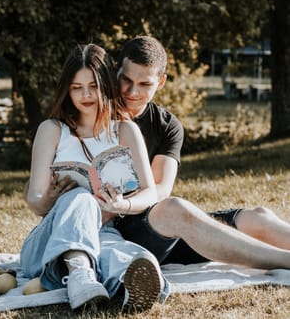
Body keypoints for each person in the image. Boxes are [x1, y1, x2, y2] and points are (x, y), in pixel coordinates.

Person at [106, 35, 290, 271]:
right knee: (175, 210)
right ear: (116, 71)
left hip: (159, 227)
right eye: (126, 79)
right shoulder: (99, 114)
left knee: (258, 217)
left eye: (145, 84)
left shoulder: (167, 125)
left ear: (160, 83)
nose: (132, 91)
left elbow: (160, 189)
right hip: (121, 235)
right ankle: (284, 261)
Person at [20, 43, 167, 313]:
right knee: (80, 197)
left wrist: (123, 206)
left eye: (94, 86)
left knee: (126, 255)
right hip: (49, 239)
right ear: (67, 89)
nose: (85, 95)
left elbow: (151, 192)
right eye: (77, 87)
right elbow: (35, 200)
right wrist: (50, 200)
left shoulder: (125, 130)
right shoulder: (52, 130)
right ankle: (78, 274)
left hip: (103, 232)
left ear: (106, 85)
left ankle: (127, 286)